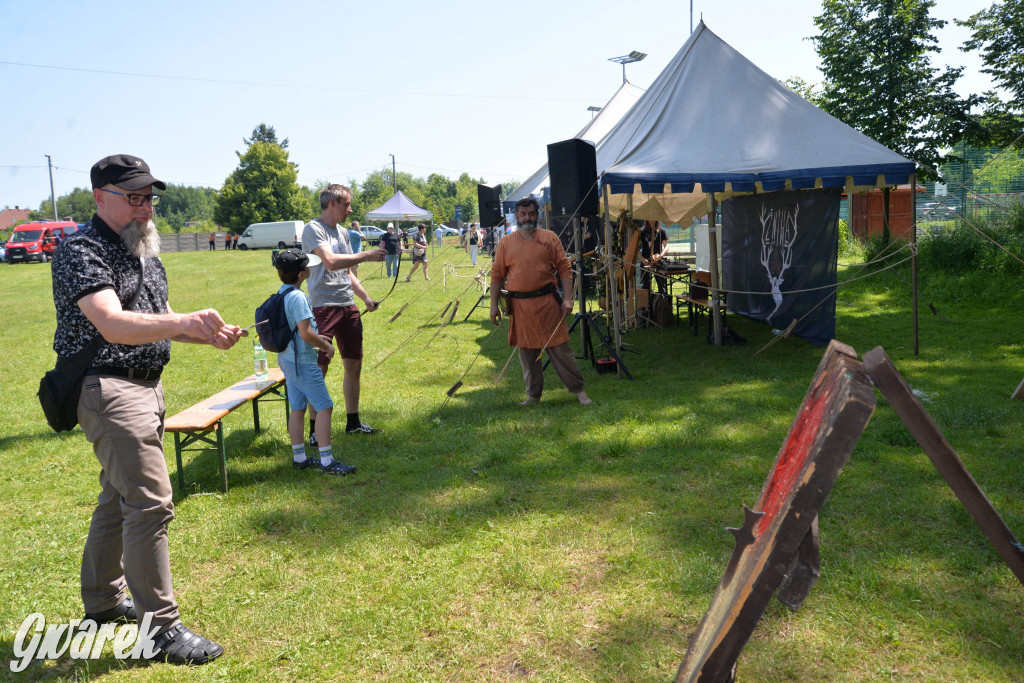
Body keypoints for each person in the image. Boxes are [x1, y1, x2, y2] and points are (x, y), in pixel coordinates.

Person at [50, 154, 245, 665]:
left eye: (149, 197)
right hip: (109, 390)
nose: (145, 207)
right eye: (133, 197)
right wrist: (184, 319)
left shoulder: (144, 250)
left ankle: (102, 599)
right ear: (100, 197)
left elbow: (154, 323)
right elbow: (113, 325)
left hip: (145, 388)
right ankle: (160, 631)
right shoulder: (81, 249)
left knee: (118, 498)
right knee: (151, 504)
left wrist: (205, 334)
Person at [301, 184, 386, 440]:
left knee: (354, 364)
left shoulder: (344, 233)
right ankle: (315, 431)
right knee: (320, 368)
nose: (350, 209)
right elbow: (331, 261)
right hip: (323, 307)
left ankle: (353, 422)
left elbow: (346, 273)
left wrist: (366, 298)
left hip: (347, 306)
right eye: (347, 204)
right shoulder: (313, 229)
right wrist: (367, 255)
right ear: (333, 203)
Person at [490, 197, 592, 406]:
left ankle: (579, 391)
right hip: (520, 307)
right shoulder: (506, 243)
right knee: (527, 354)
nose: (527, 218)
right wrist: (493, 306)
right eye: (523, 214)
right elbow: (497, 275)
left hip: (547, 304)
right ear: (516, 216)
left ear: (538, 215)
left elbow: (564, 268)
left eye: (531, 214)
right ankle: (533, 395)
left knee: (560, 350)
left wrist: (568, 299)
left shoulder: (549, 238)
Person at [271, 248, 357, 475]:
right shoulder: (298, 297)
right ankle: (327, 462)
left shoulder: (283, 292)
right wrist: (327, 346)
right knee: (324, 407)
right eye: (307, 266)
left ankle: (299, 457)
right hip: (303, 362)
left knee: (297, 408)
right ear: (301, 274)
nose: (310, 268)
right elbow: (306, 332)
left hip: (288, 360)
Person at [638, 219, 670, 294]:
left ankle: (662, 301)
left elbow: (667, 246)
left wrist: (661, 255)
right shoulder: (641, 231)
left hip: (658, 262)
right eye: (650, 219)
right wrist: (642, 259)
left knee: (662, 285)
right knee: (645, 285)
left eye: (654, 219)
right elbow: (636, 248)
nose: (652, 221)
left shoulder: (662, 231)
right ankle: (647, 303)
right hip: (645, 261)